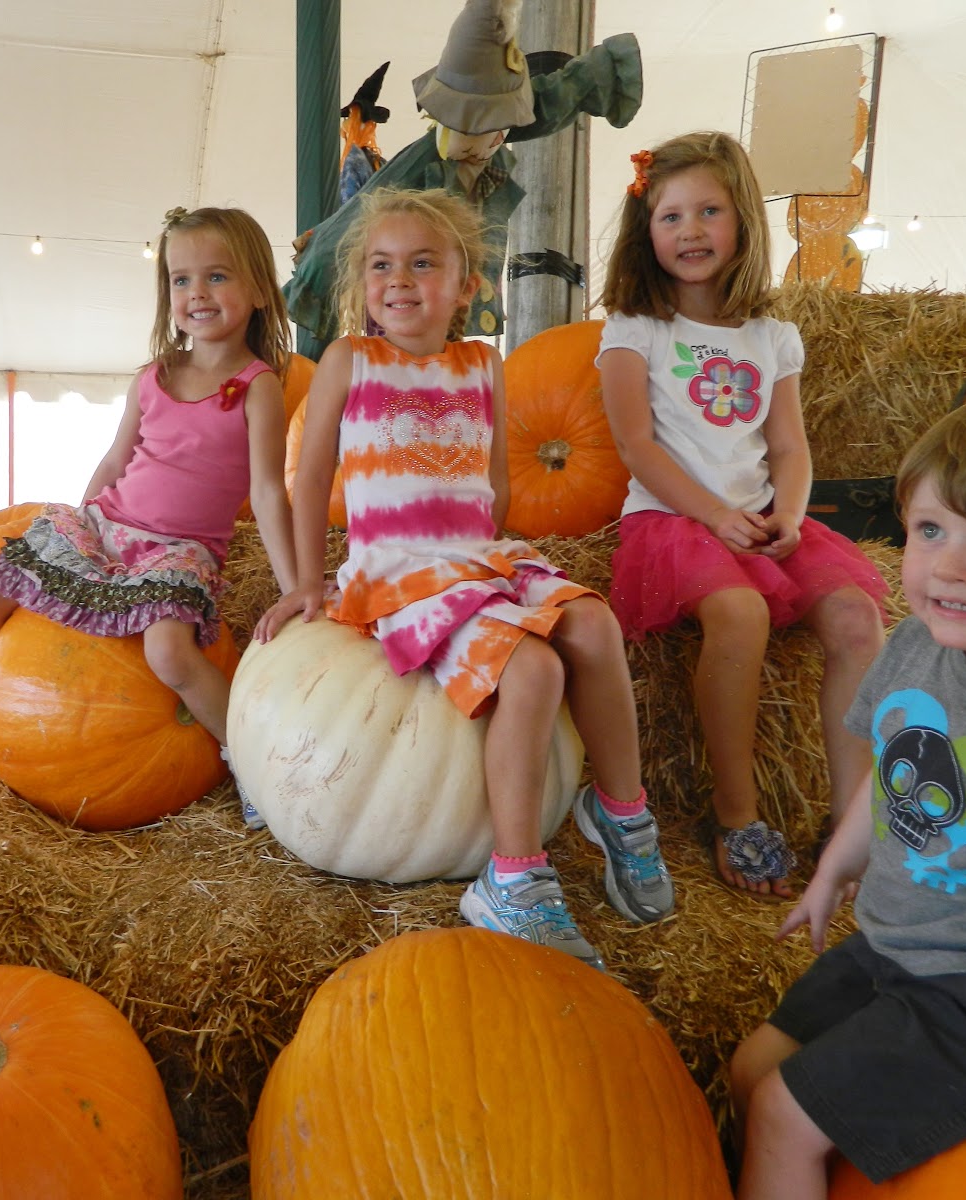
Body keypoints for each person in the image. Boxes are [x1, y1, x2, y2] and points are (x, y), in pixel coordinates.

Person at [255, 186, 672, 970]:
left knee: (593, 624)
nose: (400, 280)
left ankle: (622, 811)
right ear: (362, 284)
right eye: (382, 265)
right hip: (399, 574)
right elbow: (309, 480)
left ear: (466, 282)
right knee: (535, 665)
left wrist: (488, 552)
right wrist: (307, 581)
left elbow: (497, 487)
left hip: (478, 560)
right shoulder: (352, 359)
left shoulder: (484, 365)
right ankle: (512, 878)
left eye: (423, 263)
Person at [729, 381, 966, 1196]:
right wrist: (838, 866)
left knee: (778, 1112)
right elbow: (893, 774)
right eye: (931, 528)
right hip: (897, 949)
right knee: (749, 1070)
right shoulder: (921, 646)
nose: (947, 564)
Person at [596, 130, 889, 898]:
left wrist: (788, 513)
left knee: (859, 619)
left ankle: (849, 822)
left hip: (761, 516)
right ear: (645, 230)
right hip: (671, 518)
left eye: (709, 211)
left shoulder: (772, 336)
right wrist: (716, 516)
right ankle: (737, 816)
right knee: (740, 612)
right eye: (670, 216)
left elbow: (789, 447)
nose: (690, 230)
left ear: (742, 222)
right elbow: (636, 445)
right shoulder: (635, 330)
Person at [0, 205, 298, 813]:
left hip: (179, 549)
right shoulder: (152, 377)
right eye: (181, 280)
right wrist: (81, 529)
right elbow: (114, 461)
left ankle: (246, 759)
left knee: (169, 653)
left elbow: (267, 491)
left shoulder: (258, 386)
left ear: (260, 289)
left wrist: (294, 589)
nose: (197, 293)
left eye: (217, 276)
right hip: (108, 527)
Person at [284, 0, 643, 358]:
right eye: (471, 129)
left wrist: (598, 75)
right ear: (441, 118)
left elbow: (547, 104)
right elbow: (347, 231)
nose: (488, 142)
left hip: (450, 311)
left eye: (499, 130)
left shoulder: (489, 149)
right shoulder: (418, 166)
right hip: (403, 320)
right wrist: (317, 277)